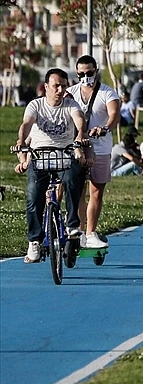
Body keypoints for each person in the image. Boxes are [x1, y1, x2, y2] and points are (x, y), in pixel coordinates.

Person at [14, 69, 87, 263]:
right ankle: (35, 241)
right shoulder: (35, 105)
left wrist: (80, 133)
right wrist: (21, 141)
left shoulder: (71, 104)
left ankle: (73, 226)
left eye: (63, 85)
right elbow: (26, 124)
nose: (60, 89)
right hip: (40, 157)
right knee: (33, 194)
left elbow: (80, 119)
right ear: (46, 87)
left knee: (73, 179)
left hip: (64, 155)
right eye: (56, 85)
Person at [66, 55, 121, 250]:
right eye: (81, 73)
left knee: (96, 191)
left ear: (96, 71)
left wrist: (105, 127)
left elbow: (114, 114)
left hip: (100, 148)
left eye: (89, 73)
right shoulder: (70, 93)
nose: (85, 77)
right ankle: (78, 231)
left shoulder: (107, 93)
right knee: (77, 191)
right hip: (77, 149)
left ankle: (91, 233)